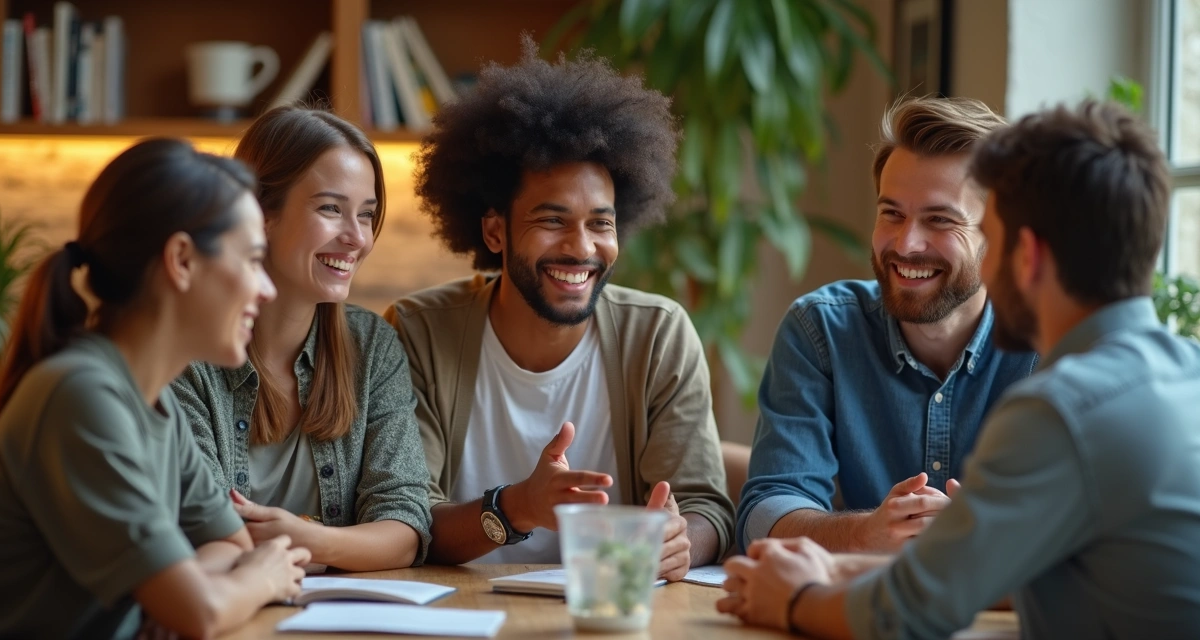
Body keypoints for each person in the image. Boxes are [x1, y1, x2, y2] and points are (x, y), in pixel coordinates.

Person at [718, 100, 1200, 639]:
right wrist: (845, 559)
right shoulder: (1190, 375)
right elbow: (1014, 575)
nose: (906, 244)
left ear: (1027, 255)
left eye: (984, 230)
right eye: (891, 213)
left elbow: (916, 611)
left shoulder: (1059, 409)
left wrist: (799, 598)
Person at [384, 43, 734, 580]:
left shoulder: (658, 335)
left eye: (601, 223)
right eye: (552, 220)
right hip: (457, 613)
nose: (582, 248)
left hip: (608, 611)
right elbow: (408, 521)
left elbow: (706, 509)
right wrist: (518, 507)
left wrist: (680, 540)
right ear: (495, 230)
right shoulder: (418, 331)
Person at [0, 139, 308, 638]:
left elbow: (232, 545)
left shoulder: (154, 402)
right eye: (251, 261)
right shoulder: (79, 396)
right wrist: (258, 579)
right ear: (181, 259)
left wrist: (185, 591)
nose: (265, 289)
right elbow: (201, 612)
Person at [738, 97, 1039, 553]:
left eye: (940, 220)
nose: (906, 243)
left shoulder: (1049, 344)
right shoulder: (820, 330)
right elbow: (765, 513)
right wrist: (865, 532)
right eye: (891, 214)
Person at [172, 106, 432, 572]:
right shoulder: (187, 354)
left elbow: (404, 528)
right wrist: (340, 544)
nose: (357, 238)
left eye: (367, 214)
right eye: (331, 208)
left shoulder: (370, 345)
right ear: (260, 213)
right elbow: (205, 533)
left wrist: (308, 538)